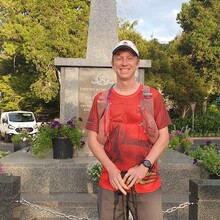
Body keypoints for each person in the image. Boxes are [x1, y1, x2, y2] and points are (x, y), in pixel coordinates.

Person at [85, 40, 171, 220]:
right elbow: (92, 139)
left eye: (130, 58)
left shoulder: (152, 96)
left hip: (146, 181)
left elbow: (164, 137)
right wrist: (111, 168)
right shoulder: (101, 100)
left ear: (137, 63)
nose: (124, 63)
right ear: (112, 63)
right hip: (111, 181)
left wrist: (144, 167)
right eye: (119, 58)